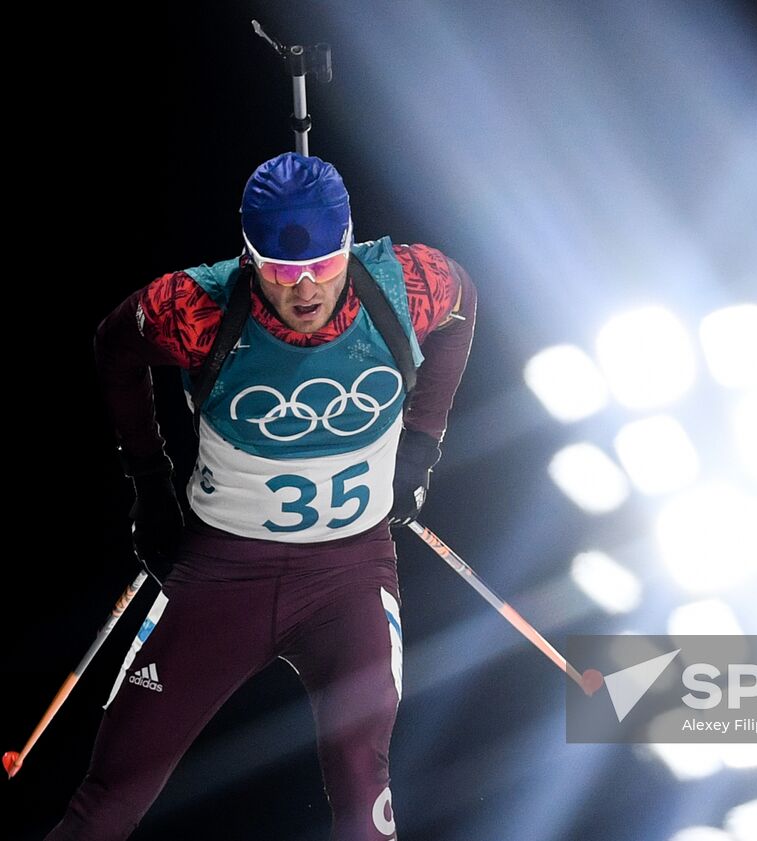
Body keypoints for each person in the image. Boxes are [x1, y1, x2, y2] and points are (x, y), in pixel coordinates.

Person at [46, 152, 477, 840]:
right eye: (280, 270)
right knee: (108, 795)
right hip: (223, 575)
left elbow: (463, 306)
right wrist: (148, 481)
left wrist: (424, 440)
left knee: (365, 791)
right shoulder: (196, 305)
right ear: (249, 259)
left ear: (349, 243)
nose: (304, 290)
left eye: (323, 265)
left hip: (349, 574)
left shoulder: (407, 284)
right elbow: (114, 346)